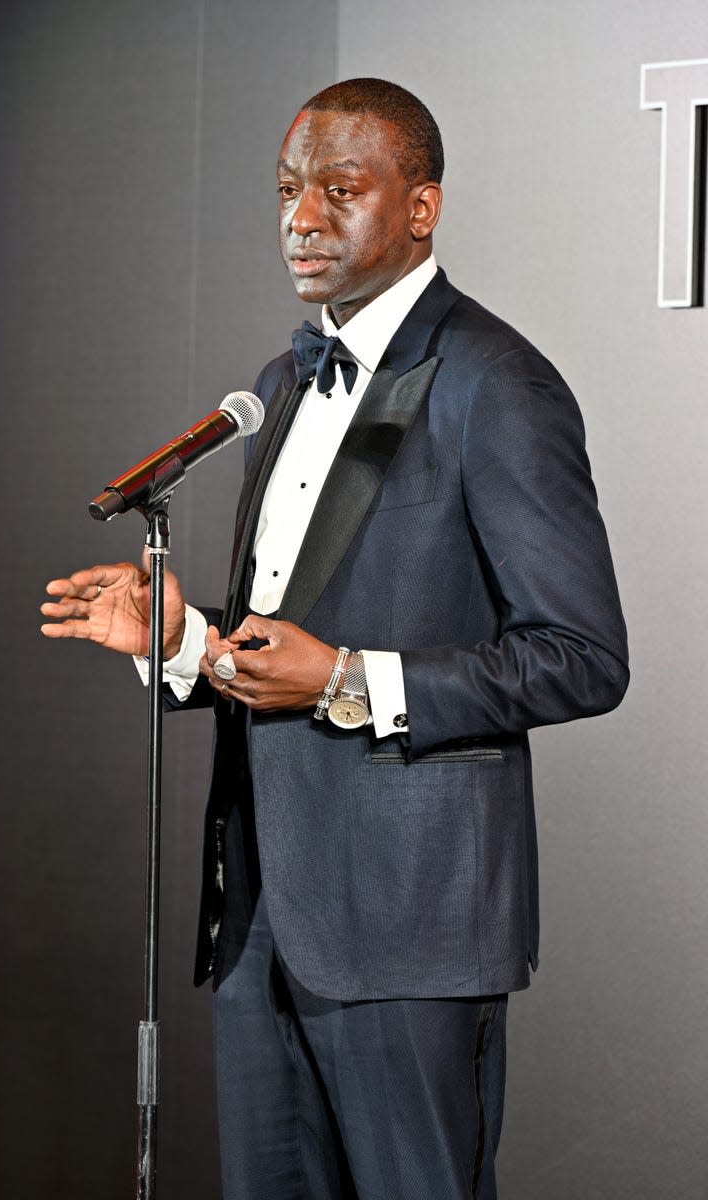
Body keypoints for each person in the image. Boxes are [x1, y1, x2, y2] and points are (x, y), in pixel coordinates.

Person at [41, 78, 628, 1199]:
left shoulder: (496, 385)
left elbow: (582, 653)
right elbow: (277, 660)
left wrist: (348, 679)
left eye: (339, 190)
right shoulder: (276, 386)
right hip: (265, 916)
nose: (299, 218)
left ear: (421, 208)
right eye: (284, 190)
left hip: (410, 927)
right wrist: (181, 643)